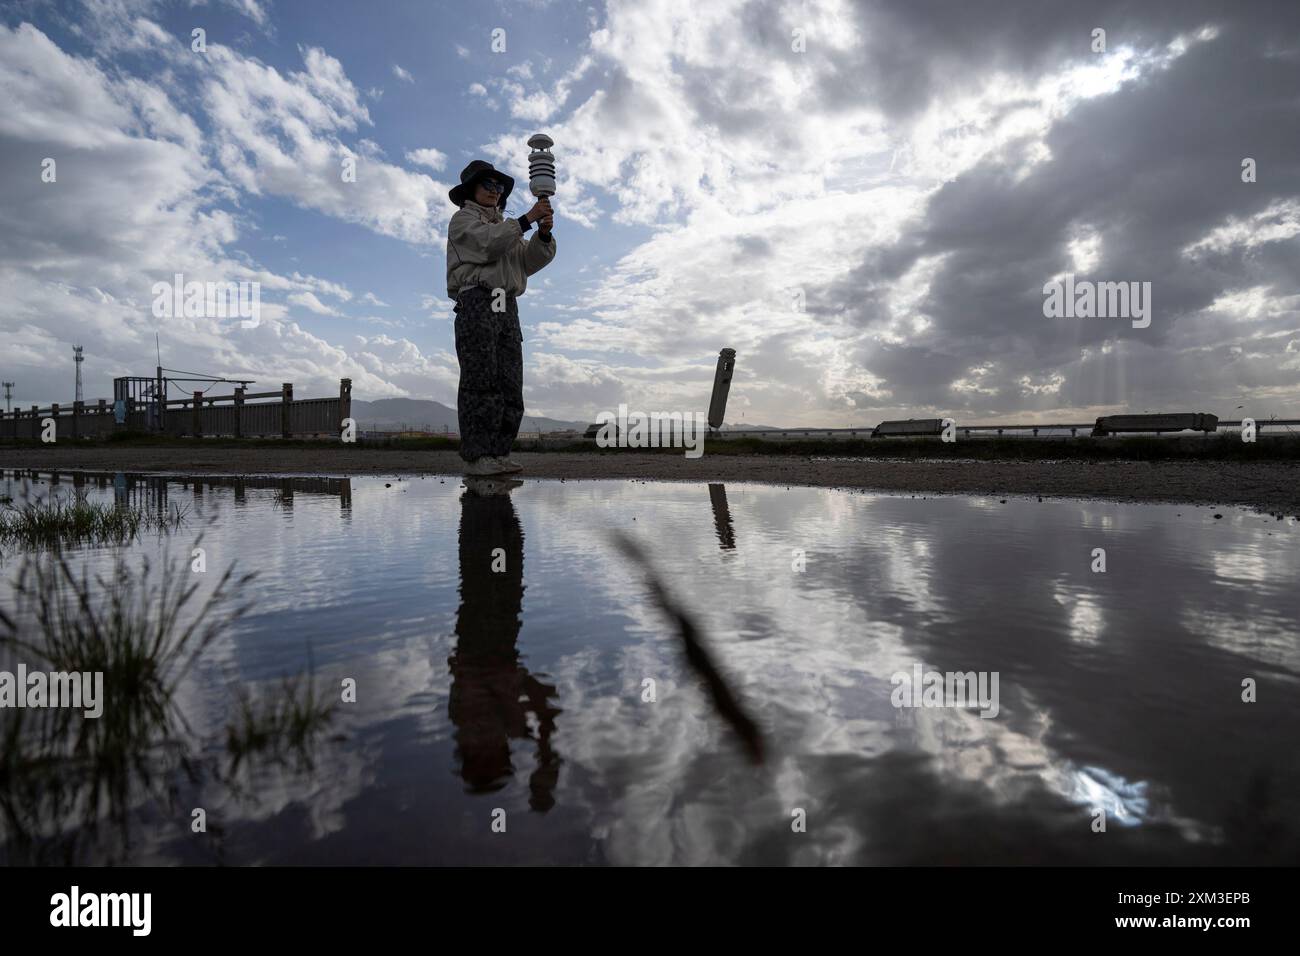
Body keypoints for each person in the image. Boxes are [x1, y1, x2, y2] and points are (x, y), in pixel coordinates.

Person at [446, 160, 556, 476]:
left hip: (506, 304)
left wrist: (543, 235)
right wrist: (526, 219)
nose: (495, 191)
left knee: (510, 380)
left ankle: (499, 452)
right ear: (471, 189)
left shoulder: (507, 228)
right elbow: (487, 245)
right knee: (481, 379)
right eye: (487, 185)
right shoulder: (463, 220)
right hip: (477, 300)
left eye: (499, 187)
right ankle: (478, 455)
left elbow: (528, 261)